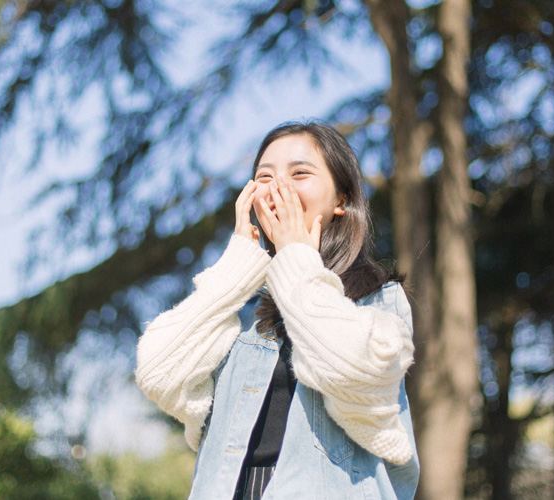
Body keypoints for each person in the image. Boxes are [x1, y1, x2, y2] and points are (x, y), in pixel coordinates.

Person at [135, 121, 419, 499]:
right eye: (263, 176)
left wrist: (295, 258)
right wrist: (236, 268)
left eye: (300, 173)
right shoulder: (244, 310)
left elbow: (353, 370)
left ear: (341, 200)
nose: (279, 187)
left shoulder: (380, 300)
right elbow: (158, 373)